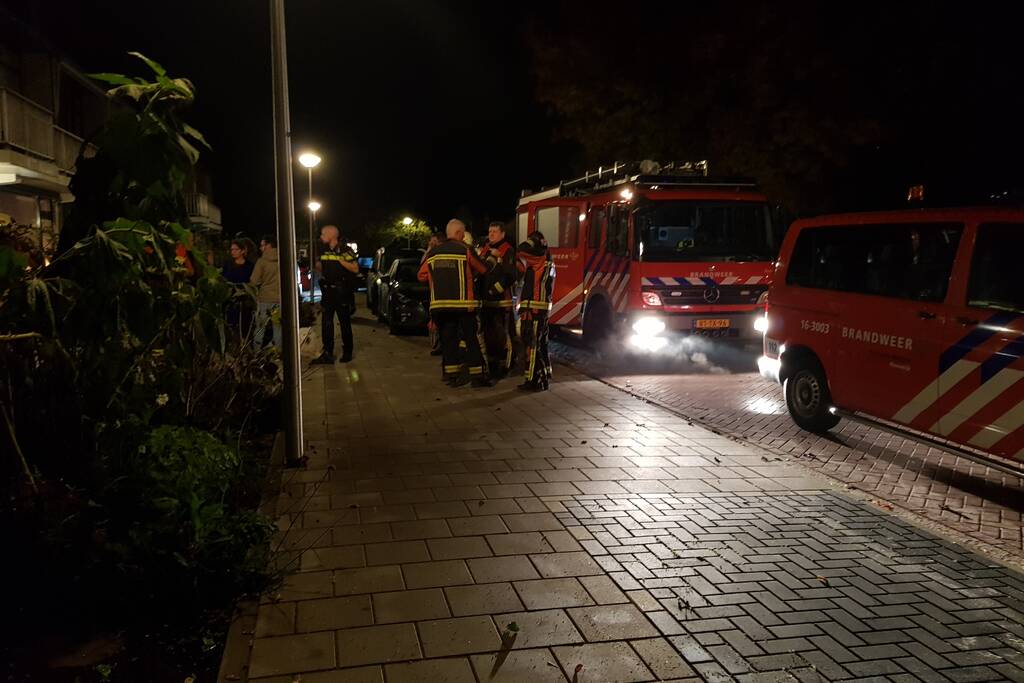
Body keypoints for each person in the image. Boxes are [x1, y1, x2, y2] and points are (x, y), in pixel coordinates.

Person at [418, 219, 490, 387]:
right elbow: (483, 269)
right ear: (458, 233)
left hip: (440, 306)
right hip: (464, 305)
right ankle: (477, 377)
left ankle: (452, 376)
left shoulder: (432, 253)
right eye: (463, 233)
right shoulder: (465, 249)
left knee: (448, 340)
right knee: (471, 340)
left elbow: (421, 276)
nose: (464, 237)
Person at [312, 225, 359, 364]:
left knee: (344, 322)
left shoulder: (345, 250)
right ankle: (327, 352)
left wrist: (340, 260)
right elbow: (321, 267)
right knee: (326, 322)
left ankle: (347, 352)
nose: (321, 237)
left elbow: (355, 268)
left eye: (323, 234)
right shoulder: (323, 250)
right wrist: (318, 266)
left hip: (341, 291)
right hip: (327, 291)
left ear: (331, 235)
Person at [517, 231, 555, 391]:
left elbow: (521, 249)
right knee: (541, 345)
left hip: (534, 309)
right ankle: (544, 377)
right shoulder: (548, 260)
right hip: (541, 309)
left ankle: (534, 380)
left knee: (532, 346)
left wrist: (532, 241)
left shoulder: (539, 258)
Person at [478, 221, 516, 378]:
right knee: (489, 334)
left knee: (504, 334)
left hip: (502, 302)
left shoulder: (507, 250)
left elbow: (510, 275)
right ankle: (493, 362)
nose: (491, 234)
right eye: (489, 231)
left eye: (494, 231)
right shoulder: (485, 249)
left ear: (502, 234)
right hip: (486, 302)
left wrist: (494, 290)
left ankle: (507, 364)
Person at [250, 234, 282, 348]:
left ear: (269, 246)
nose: (260, 248)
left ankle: (256, 350)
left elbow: (253, 281)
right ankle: (278, 351)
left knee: (260, 327)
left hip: (264, 299)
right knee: (278, 327)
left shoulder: (262, 261)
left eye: (262, 245)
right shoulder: (284, 259)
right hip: (279, 299)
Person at [222, 239, 255, 339]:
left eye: (235, 249)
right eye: (232, 250)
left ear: (242, 251)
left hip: (244, 300)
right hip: (230, 299)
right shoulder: (228, 265)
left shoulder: (250, 266)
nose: (233, 252)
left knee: (244, 325)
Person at [423, 233, 444, 356]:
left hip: (435, 293)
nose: (431, 243)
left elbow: (421, 273)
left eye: (433, 241)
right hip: (447, 293)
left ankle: (440, 344)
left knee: (438, 320)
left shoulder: (433, 255)